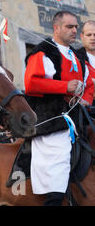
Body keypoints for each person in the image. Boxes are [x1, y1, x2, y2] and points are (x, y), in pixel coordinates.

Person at [24, 10, 94, 206]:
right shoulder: (43, 51)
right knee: (59, 154)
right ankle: (54, 200)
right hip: (52, 118)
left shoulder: (77, 56)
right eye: (69, 27)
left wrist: (84, 99)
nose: (74, 31)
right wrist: (65, 87)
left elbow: (89, 84)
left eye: (75, 27)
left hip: (76, 117)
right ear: (56, 28)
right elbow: (31, 83)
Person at [77, 20, 95, 101]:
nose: (93, 38)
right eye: (89, 35)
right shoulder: (75, 58)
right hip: (86, 108)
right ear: (82, 37)